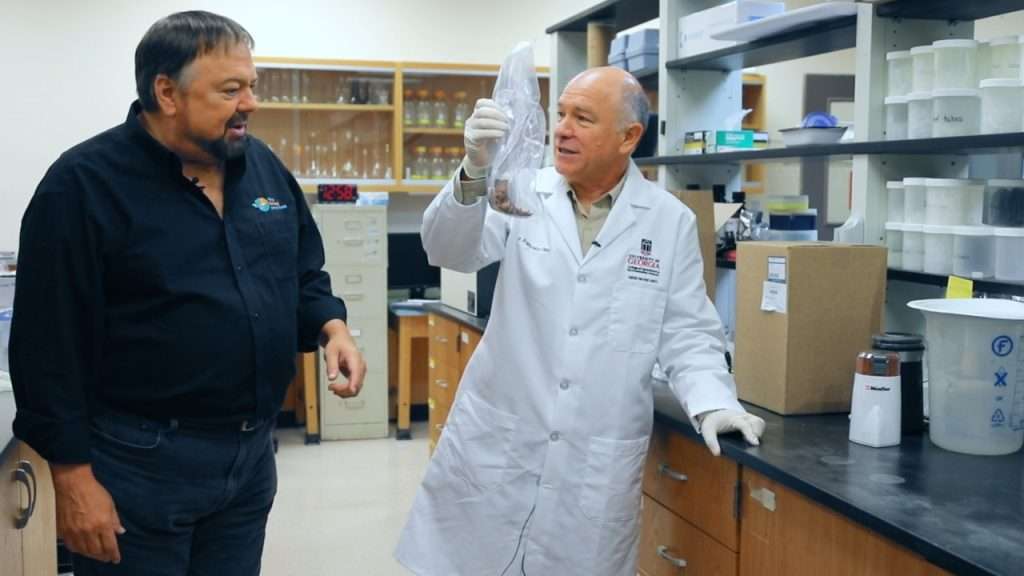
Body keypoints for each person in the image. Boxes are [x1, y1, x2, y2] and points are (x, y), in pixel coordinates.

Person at [10, 11, 366, 575]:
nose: (249, 103)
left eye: (252, 86)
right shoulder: (83, 186)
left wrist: (332, 327)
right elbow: (45, 348)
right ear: (166, 92)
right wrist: (73, 479)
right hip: (137, 465)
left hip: (248, 463)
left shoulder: (263, 169)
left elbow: (301, 269)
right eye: (230, 90)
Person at [395, 67, 765, 575]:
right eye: (561, 114)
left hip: (592, 465)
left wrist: (715, 403)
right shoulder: (519, 192)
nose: (562, 128)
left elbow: (687, 333)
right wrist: (474, 168)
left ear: (628, 137)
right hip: (500, 444)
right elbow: (448, 249)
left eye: (583, 118)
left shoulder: (667, 220)